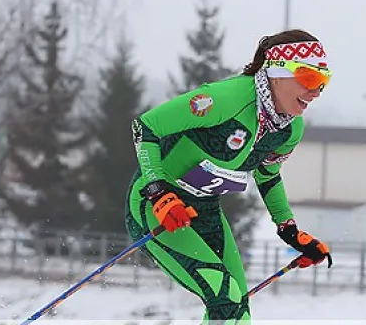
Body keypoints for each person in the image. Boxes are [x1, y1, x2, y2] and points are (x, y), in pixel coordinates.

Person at [124, 29, 334, 323]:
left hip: (203, 210)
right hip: (157, 208)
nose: (316, 92)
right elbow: (145, 128)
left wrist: (289, 229)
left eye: (323, 82)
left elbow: (268, 173)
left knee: (238, 309)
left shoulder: (289, 129)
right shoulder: (226, 100)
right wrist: (158, 193)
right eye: (310, 78)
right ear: (276, 73)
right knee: (225, 296)